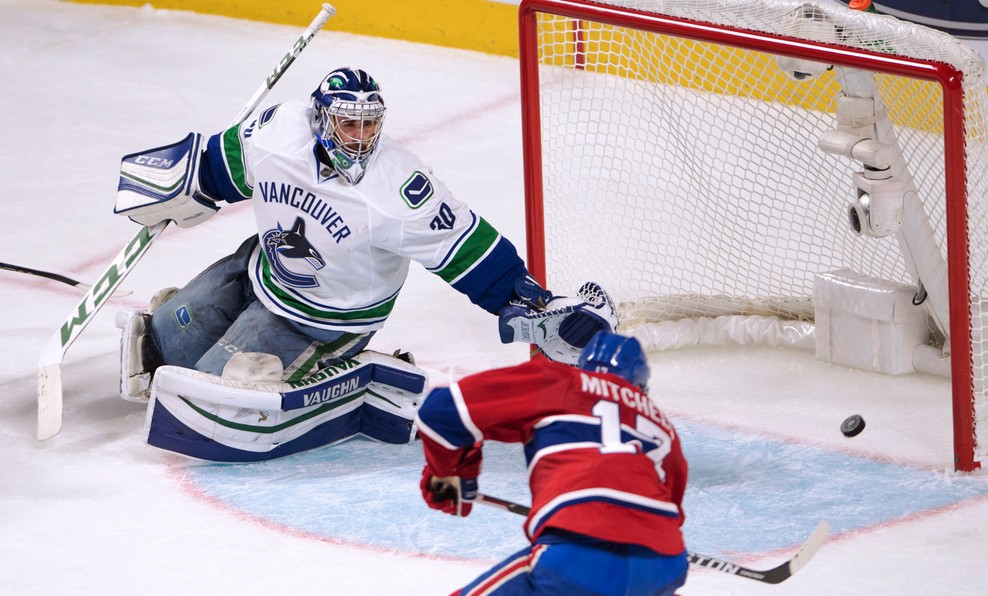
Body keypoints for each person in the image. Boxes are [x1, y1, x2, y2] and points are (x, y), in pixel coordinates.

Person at [111, 67, 617, 460]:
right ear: (319, 118)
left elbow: (469, 251)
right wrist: (183, 184)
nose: (358, 136)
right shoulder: (278, 131)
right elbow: (220, 166)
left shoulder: (398, 187)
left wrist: (533, 303)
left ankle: (363, 380)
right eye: (347, 123)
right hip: (255, 273)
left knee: (222, 393)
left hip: (323, 321)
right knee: (156, 350)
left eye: (369, 124)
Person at [309, 332, 759, 596]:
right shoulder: (659, 425)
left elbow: (445, 410)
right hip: (661, 559)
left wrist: (454, 475)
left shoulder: (560, 381)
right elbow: (670, 507)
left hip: (577, 556)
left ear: (585, 364)